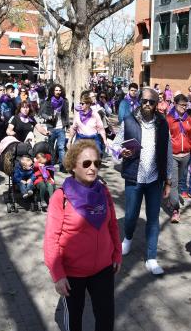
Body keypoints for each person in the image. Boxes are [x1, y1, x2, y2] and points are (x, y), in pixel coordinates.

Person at [43, 140, 121, 331]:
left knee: (106, 320)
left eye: (96, 163)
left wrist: (117, 254)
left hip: (103, 269)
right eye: (86, 163)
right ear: (73, 166)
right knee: (74, 321)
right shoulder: (60, 197)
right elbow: (51, 239)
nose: (92, 168)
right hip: (72, 274)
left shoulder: (103, 191)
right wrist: (58, 275)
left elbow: (113, 226)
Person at [112, 87, 172, 275]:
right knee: (131, 215)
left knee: (153, 219)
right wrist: (121, 152)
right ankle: (127, 238)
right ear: (139, 101)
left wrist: (169, 180)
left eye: (151, 102)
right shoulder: (129, 121)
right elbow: (114, 146)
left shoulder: (162, 124)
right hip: (134, 177)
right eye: (144, 100)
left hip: (155, 179)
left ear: (156, 104)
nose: (147, 104)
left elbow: (169, 152)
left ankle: (152, 258)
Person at [166, 94, 191, 223]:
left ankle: (171, 199)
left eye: (186, 105)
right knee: (174, 182)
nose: (184, 108)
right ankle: (175, 210)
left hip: (186, 155)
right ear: (174, 104)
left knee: (180, 181)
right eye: (182, 105)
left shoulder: (189, 120)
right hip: (173, 156)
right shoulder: (168, 119)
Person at [40, 84, 70, 172]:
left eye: (60, 90)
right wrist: (48, 117)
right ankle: (51, 164)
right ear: (53, 91)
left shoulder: (64, 101)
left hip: (61, 127)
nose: (58, 92)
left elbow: (66, 114)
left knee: (61, 147)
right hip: (51, 127)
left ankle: (63, 166)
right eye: (56, 90)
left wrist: (67, 125)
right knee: (50, 147)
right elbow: (42, 113)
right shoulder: (48, 101)